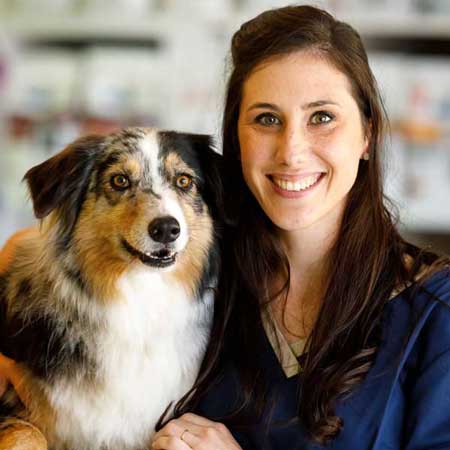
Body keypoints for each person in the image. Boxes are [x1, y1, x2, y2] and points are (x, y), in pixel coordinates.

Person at [1, 5, 450, 450]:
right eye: (267, 119)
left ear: (368, 133)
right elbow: (41, 250)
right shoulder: (199, 267)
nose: (292, 151)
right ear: (237, 137)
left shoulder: (434, 312)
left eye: (322, 117)